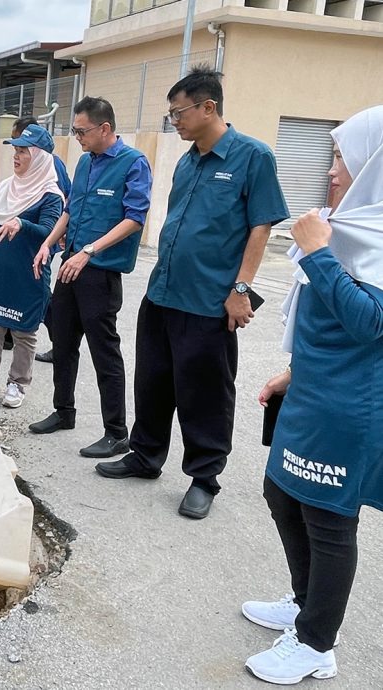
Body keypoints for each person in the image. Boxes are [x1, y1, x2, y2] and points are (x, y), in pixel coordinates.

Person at [94, 66, 289, 520]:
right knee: (154, 382)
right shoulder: (187, 160)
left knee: (205, 392)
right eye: (171, 114)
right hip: (163, 293)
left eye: (179, 112)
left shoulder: (252, 156)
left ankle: (204, 478)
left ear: (208, 107)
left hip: (209, 302)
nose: (174, 121)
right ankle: (145, 456)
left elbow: (261, 226)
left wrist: (241, 289)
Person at [241, 106, 383, 685]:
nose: (329, 173)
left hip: (350, 406)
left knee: (328, 517)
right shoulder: (348, 224)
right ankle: (306, 605)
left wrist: (320, 254)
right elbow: (324, 318)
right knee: (281, 492)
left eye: (342, 160)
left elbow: (371, 322)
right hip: (313, 392)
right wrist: (291, 376)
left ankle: (318, 644)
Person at [29, 97, 152, 459]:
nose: (77, 137)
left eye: (82, 131)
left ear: (105, 129)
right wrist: (48, 244)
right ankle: (63, 411)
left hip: (100, 273)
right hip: (70, 266)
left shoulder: (133, 164)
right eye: (74, 131)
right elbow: (70, 210)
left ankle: (116, 432)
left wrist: (90, 251)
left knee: (104, 354)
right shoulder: (84, 163)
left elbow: (135, 219)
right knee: (63, 344)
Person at [0, 124, 64, 409]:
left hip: (29, 274)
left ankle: (17, 384)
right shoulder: (6, 187)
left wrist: (22, 223)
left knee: (24, 332)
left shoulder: (50, 195)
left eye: (24, 151)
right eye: (16, 150)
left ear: (40, 157)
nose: (16, 155)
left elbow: (49, 231)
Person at [12, 115, 73, 363]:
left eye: (20, 143)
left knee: (40, 291)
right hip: (26, 238)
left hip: (40, 240)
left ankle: (60, 343)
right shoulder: (43, 163)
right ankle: (8, 333)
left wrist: (57, 234)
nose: (16, 151)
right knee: (22, 285)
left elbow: (64, 199)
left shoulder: (50, 165)